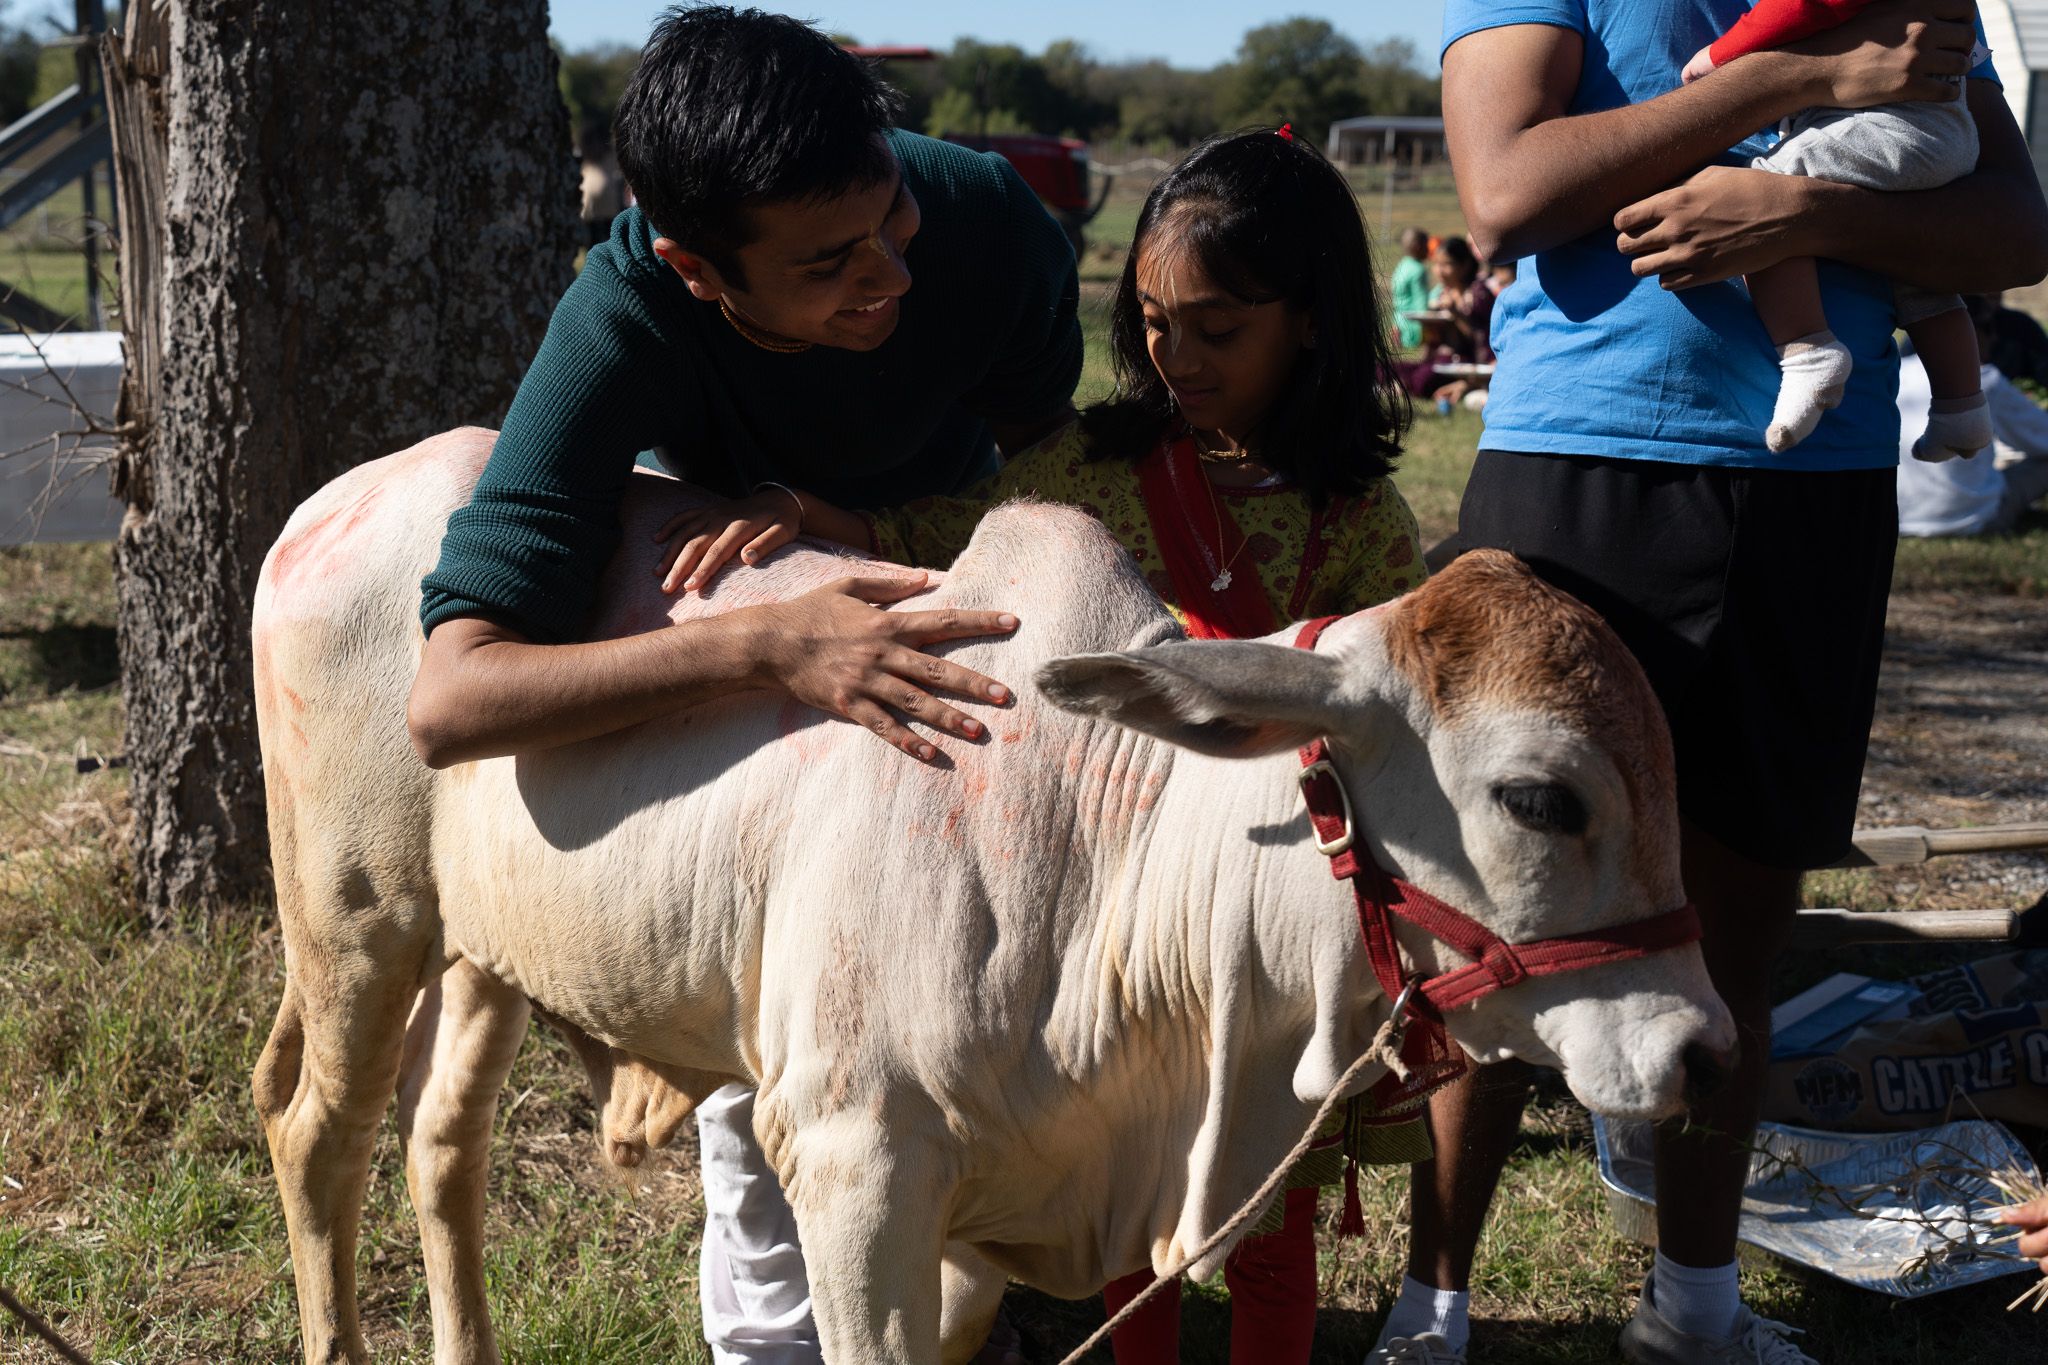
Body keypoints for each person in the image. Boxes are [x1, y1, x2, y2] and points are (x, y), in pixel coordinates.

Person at [654, 127, 1434, 1365]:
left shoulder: (1367, 528)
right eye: (1155, 323)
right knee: (1128, 1197)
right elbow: (940, 538)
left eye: (1216, 329)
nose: (1175, 357)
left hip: (1262, 907)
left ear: (1312, 322)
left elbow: (1382, 714)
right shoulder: (1091, 465)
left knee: (1265, 1210)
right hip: (1101, 904)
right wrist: (803, 518)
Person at [1369, 5, 2048, 1365]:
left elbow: (2013, 232)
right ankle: (1429, 1312)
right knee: (1500, 912)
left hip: (1817, 494)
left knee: (1740, 910)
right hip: (1583, 467)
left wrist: (1794, 207)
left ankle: (1694, 1307)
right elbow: (1504, 193)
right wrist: (1795, 82)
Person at [409, 8, 1083, 1363]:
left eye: (888, 221)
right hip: (794, 733)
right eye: (828, 265)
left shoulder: (986, 222)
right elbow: (453, 697)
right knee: (791, 1060)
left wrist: (861, 521)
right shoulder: (621, 321)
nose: (886, 276)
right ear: (695, 270)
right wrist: (768, 643)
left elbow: (1063, 480)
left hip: (972, 675)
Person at [1682, 0, 1992, 460]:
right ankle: (1962, 410)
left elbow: (1804, 6)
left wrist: (1717, 57)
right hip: (1943, 132)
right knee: (1918, 284)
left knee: (1764, 193)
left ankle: (1809, 353)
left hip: (1894, 129)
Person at [1896, 298, 2048, 536]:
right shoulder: (1986, 378)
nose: (1995, 338)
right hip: (1976, 517)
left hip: (1901, 518)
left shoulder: (1897, 373)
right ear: (1967, 329)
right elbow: (2044, 438)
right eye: (1989, 329)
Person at [1400, 236, 1493, 401]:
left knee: (1422, 380)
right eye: (1436, 264)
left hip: (1466, 361)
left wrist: (1456, 313)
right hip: (1441, 359)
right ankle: (1400, 383)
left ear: (1464, 265)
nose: (1439, 271)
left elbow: (1480, 337)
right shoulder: (1444, 292)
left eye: (1446, 264)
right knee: (1384, 368)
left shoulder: (1478, 294)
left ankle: (1403, 386)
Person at [1392, 226, 1434, 347]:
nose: (1428, 249)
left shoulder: (1402, 265)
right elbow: (1421, 303)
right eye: (1426, 245)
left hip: (1400, 324)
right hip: (1414, 329)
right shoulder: (1418, 270)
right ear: (1417, 247)